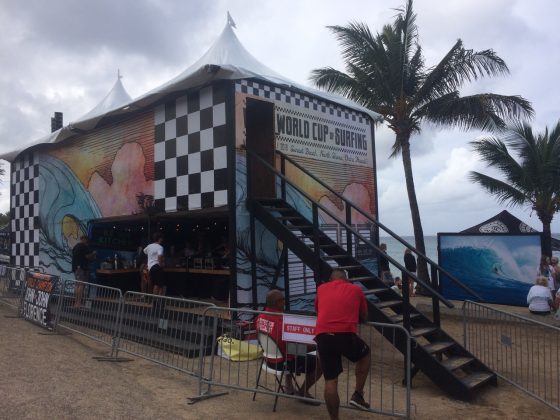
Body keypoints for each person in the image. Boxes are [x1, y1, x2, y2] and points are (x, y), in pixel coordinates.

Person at [315, 269, 371, 419]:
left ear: (330, 279)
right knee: (365, 354)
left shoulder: (321, 289)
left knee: (330, 381)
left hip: (323, 336)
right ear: (345, 279)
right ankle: (358, 394)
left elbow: (318, 310)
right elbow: (364, 316)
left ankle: (335, 418)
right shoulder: (356, 289)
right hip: (345, 334)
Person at [255, 289, 322, 403]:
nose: (285, 302)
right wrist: (315, 346)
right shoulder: (281, 321)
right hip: (281, 362)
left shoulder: (260, 317)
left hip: (267, 359)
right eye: (283, 300)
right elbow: (291, 348)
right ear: (276, 303)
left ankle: (289, 386)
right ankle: (303, 392)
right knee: (319, 363)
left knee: (289, 353)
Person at [71, 235, 96, 308]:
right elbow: (87, 256)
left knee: (77, 285)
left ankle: (76, 303)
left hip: (76, 268)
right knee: (81, 285)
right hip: (82, 268)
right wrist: (94, 253)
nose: (87, 242)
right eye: (87, 240)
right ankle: (78, 303)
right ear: (84, 239)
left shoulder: (76, 246)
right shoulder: (83, 247)